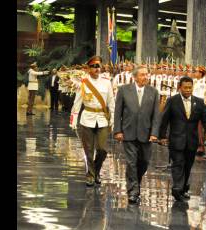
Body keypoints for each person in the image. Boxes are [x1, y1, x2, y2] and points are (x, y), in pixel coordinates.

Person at [159, 76, 206, 201]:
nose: (188, 90)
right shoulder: (172, 101)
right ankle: (177, 188)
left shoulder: (199, 102)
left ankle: (184, 188)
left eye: (190, 87)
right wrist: (162, 136)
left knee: (187, 165)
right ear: (180, 88)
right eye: (185, 88)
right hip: (176, 140)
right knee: (178, 163)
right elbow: (164, 119)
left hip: (191, 141)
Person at [113, 66, 161, 204]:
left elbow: (156, 115)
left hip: (146, 134)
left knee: (144, 162)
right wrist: (117, 130)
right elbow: (118, 112)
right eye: (142, 75)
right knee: (131, 162)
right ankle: (133, 191)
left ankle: (136, 183)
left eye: (147, 75)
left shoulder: (153, 92)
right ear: (135, 77)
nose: (145, 77)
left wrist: (154, 133)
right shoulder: (124, 90)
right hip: (128, 132)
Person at [69, 56, 115, 187]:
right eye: (94, 66)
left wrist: (113, 119)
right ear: (88, 69)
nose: (97, 69)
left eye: (98, 66)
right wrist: (73, 119)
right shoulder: (83, 83)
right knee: (88, 149)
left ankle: (96, 170)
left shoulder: (107, 82)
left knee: (102, 149)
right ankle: (90, 175)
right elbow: (77, 102)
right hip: (87, 118)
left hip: (102, 119)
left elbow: (111, 102)